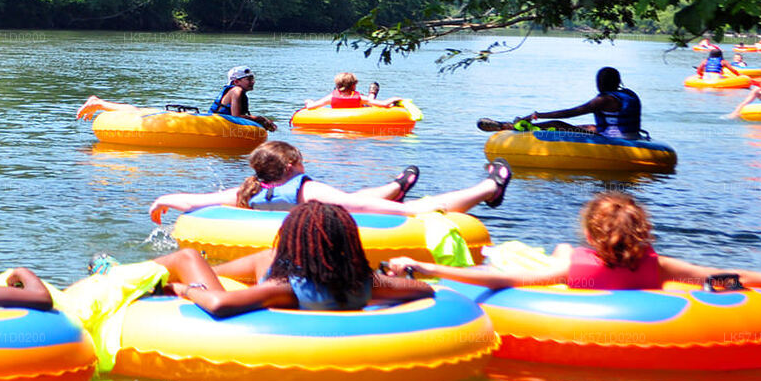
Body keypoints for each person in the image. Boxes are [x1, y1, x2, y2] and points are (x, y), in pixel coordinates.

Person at [385, 191, 761, 315]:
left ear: (591, 234)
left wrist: (425, 267)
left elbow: (501, 280)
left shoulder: (574, 267)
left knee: (533, 257)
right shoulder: (658, 267)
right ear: (642, 232)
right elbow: (722, 279)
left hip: (564, 277)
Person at [168, 202, 435, 318]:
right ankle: (213, 270)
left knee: (188, 256)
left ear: (292, 241)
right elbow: (425, 289)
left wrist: (185, 289)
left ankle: (158, 273)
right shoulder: (366, 283)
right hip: (333, 286)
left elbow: (219, 304)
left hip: (268, 302)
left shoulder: (284, 288)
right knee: (268, 257)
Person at [148, 140, 510, 223]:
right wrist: (411, 212)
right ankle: (490, 188)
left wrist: (163, 199)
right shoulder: (308, 190)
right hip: (335, 210)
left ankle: (395, 186)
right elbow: (359, 206)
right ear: (293, 164)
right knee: (411, 207)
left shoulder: (248, 190)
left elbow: (195, 201)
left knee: (349, 197)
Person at [76, 65, 277, 131]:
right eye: (248, 79)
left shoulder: (237, 91)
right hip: (212, 121)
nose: (252, 81)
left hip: (211, 119)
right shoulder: (237, 92)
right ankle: (98, 102)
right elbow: (236, 117)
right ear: (236, 81)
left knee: (138, 111)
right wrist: (261, 120)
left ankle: (99, 103)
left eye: (252, 78)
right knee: (137, 113)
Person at [476, 66, 645, 140]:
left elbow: (570, 113)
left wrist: (537, 115)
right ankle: (513, 125)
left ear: (601, 82)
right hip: (632, 135)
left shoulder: (604, 99)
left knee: (556, 124)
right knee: (587, 127)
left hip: (615, 138)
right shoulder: (628, 94)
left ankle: (510, 127)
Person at [302, 72, 397, 109]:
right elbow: (384, 104)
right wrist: (394, 99)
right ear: (354, 85)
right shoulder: (359, 98)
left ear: (337, 86)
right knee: (369, 102)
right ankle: (372, 93)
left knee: (368, 102)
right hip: (363, 107)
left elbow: (310, 107)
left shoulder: (331, 97)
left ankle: (372, 94)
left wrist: (308, 101)